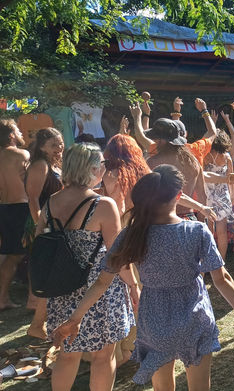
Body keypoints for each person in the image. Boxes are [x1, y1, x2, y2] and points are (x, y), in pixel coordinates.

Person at [52, 165, 234, 389]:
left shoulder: (132, 234)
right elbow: (222, 279)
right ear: (179, 196)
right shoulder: (196, 231)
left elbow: (102, 281)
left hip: (154, 321)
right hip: (195, 318)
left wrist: (75, 319)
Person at [41, 143, 136, 391]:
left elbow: (42, 244)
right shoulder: (103, 205)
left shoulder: (50, 203)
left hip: (62, 287)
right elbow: (117, 256)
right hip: (100, 289)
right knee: (103, 357)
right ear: (93, 169)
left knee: (66, 354)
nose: (105, 169)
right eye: (103, 164)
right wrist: (134, 286)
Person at [25, 127, 64, 338]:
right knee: (49, 277)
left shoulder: (54, 164)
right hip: (42, 227)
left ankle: (41, 322)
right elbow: (33, 199)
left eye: (60, 143)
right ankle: (37, 325)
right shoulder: (40, 165)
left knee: (52, 276)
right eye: (53, 145)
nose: (59, 147)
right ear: (42, 147)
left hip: (53, 225)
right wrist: (41, 229)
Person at [144, 108, 207, 221]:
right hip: (189, 219)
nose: (155, 142)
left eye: (156, 139)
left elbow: (146, 195)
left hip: (162, 221)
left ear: (161, 140)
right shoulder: (193, 161)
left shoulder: (153, 162)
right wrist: (202, 223)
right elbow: (202, 195)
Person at [0, 120, 30, 310]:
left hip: (3, 206)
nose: (21, 133)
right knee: (15, 255)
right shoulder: (22, 155)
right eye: (18, 130)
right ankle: (2, 298)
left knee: (7, 253)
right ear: (11, 135)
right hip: (21, 207)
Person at [203, 129, 234, 261]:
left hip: (207, 195)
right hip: (223, 195)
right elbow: (231, 179)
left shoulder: (205, 156)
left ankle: (208, 260)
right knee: (222, 232)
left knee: (208, 230)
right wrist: (233, 196)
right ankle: (221, 261)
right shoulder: (227, 157)